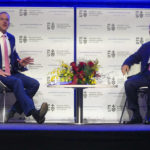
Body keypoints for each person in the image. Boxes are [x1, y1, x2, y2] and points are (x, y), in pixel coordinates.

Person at [0, 11, 48, 124]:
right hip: (1, 74)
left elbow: (14, 57)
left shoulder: (11, 38)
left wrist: (20, 63)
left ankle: (12, 111)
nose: (5, 21)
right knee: (17, 82)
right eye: (2, 19)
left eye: (7, 19)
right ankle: (35, 114)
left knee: (34, 84)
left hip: (12, 72)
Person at [121, 34, 150, 124]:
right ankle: (136, 115)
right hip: (145, 75)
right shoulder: (146, 46)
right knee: (129, 83)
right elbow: (135, 57)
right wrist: (126, 63)